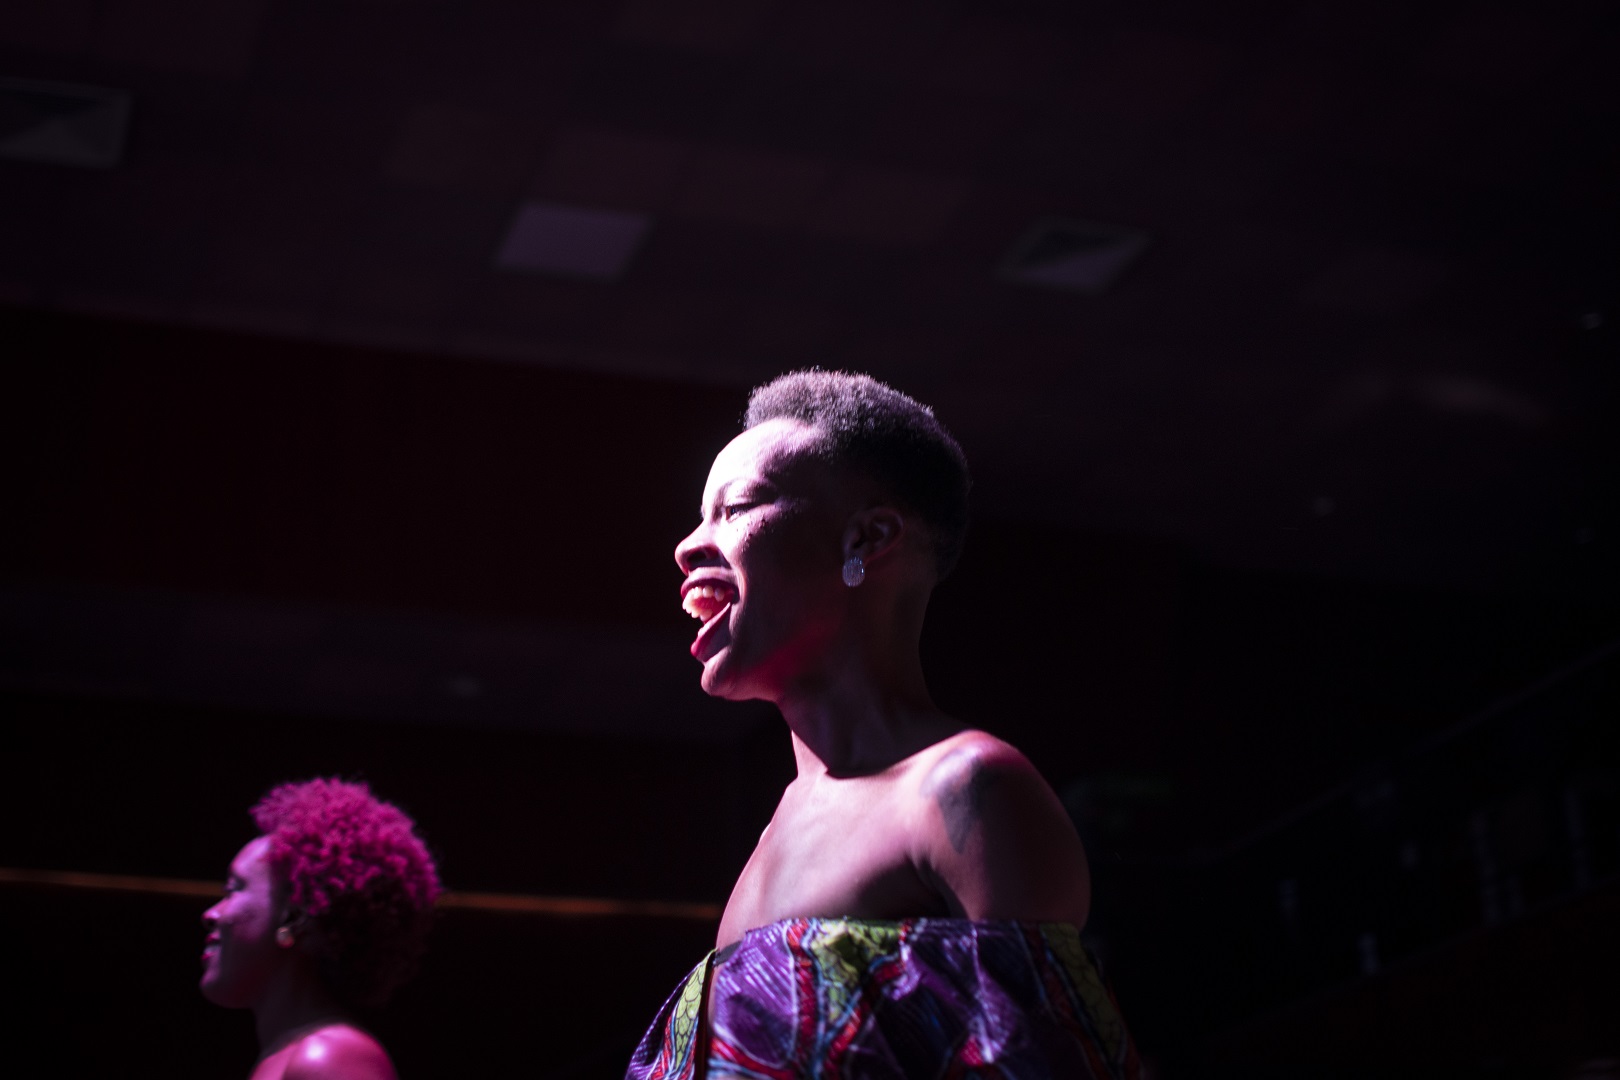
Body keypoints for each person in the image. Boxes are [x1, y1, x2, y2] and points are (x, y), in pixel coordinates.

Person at [628, 371, 1139, 1078]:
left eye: (735, 508)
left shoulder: (969, 790)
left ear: (867, 538)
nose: (688, 546)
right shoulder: (775, 830)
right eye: (699, 517)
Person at [201, 778, 440, 1080]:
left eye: (234, 889)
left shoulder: (329, 1058)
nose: (211, 914)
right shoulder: (290, 1056)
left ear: (293, 918)